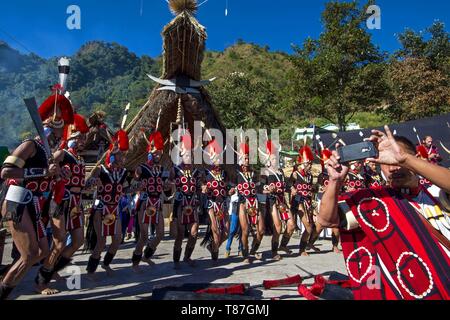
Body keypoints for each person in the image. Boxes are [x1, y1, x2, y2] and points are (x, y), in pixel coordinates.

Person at [318, 126, 450, 300]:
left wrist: (404, 159)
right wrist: (335, 181)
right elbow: (327, 220)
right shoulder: (375, 203)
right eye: (385, 163)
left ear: (415, 158)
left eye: (396, 161)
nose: (393, 168)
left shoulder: (436, 193)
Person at [0, 88, 74, 300]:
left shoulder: (49, 156)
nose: (60, 140)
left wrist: (60, 175)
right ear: (50, 130)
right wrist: (44, 171)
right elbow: (5, 171)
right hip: (16, 200)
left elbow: (46, 180)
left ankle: (7, 287)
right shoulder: (30, 145)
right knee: (30, 254)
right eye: (59, 135)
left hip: (33, 204)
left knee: (40, 253)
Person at [34, 113, 90, 295]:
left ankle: (52, 268)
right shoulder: (62, 153)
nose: (82, 140)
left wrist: (89, 183)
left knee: (78, 241)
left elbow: (77, 181)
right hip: (61, 201)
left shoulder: (80, 159)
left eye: (84, 137)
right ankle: (42, 281)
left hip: (76, 203)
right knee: (58, 244)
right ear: (71, 136)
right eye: (79, 137)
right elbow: (47, 172)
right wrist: (57, 174)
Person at [84, 129, 130, 279]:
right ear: (112, 156)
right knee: (101, 241)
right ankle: (91, 270)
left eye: (123, 154)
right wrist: (93, 182)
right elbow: (87, 185)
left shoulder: (124, 172)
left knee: (117, 239)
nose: (123, 157)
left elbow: (127, 189)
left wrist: (138, 187)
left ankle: (106, 263)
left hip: (115, 209)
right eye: (120, 154)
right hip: (101, 207)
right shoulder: (100, 170)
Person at [131, 128, 168, 272]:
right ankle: (135, 262)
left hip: (157, 202)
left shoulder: (161, 169)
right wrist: (138, 185)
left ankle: (146, 255)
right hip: (145, 202)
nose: (158, 154)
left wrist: (166, 185)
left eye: (160, 152)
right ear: (151, 152)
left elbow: (162, 185)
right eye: (156, 152)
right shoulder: (141, 168)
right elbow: (132, 183)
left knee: (160, 234)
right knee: (144, 235)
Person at [169, 133, 202, 268]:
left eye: (191, 155)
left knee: (194, 233)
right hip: (180, 204)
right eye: (187, 155)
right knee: (180, 234)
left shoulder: (196, 172)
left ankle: (187, 257)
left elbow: (200, 187)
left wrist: (203, 189)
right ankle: (176, 261)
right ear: (182, 155)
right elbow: (168, 183)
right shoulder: (175, 170)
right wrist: (169, 184)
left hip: (193, 204)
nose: (190, 157)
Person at [260, 141, 296, 261]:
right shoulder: (264, 172)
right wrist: (268, 189)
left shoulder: (280, 173)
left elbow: (285, 186)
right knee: (278, 227)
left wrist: (291, 188)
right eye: (273, 158)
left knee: (291, 225)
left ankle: (283, 245)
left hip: (282, 201)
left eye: (276, 158)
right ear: (269, 159)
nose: (275, 160)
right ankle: (274, 252)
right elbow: (259, 188)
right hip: (272, 202)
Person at [234, 143, 265, 263]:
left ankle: (253, 249)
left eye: (248, 158)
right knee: (245, 230)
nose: (246, 160)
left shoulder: (254, 173)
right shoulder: (235, 173)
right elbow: (228, 185)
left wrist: (266, 188)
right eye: (244, 158)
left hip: (255, 203)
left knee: (261, 230)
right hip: (242, 203)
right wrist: (230, 190)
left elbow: (260, 187)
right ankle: (245, 254)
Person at [201, 139, 230, 263]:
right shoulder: (205, 173)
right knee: (216, 232)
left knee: (226, 233)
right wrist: (204, 188)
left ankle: (213, 247)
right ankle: (215, 254)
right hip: (211, 205)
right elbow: (201, 186)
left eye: (219, 157)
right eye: (215, 157)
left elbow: (227, 187)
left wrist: (231, 190)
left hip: (223, 204)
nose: (217, 160)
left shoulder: (224, 173)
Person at [289, 144, 316, 256]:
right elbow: (288, 184)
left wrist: (313, 190)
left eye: (310, 163)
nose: (309, 165)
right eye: (307, 163)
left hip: (308, 202)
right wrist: (292, 188)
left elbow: (311, 188)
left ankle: (303, 247)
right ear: (301, 163)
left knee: (312, 226)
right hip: (298, 202)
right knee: (307, 227)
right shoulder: (295, 174)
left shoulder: (310, 176)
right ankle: (301, 249)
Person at [224, 191, 243, 258]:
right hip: (234, 211)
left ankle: (241, 249)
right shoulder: (231, 185)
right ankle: (227, 249)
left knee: (242, 230)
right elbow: (228, 195)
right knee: (232, 230)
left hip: (242, 209)